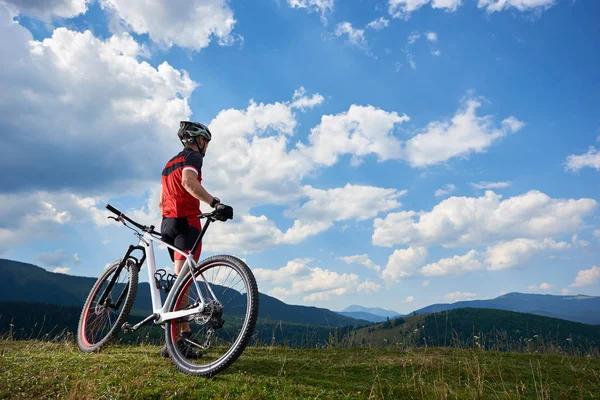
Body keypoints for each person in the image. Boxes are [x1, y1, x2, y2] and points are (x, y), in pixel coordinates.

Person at [158, 120, 230, 358]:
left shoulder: (169, 164)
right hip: (186, 223)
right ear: (199, 141)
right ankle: (174, 342)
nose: (206, 146)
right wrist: (215, 203)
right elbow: (188, 182)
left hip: (167, 223)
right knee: (183, 285)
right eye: (206, 142)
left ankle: (183, 334)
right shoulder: (193, 157)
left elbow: (161, 201)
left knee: (181, 282)